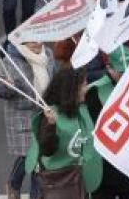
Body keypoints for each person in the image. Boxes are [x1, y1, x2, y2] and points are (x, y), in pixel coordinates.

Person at [25, 68, 102, 197]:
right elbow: (47, 150)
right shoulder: (50, 115)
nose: (86, 88)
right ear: (72, 91)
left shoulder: (78, 110)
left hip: (77, 179)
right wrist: (50, 125)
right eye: (83, 86)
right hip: (58, 182)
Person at [0, 39, 56, 199]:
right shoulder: (10, 61)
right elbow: (0, 91)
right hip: (21, 115)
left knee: (37, 156)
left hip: (43, 113)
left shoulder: (48, 54)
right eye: (32, 42)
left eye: (39, 40)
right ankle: (17, 186)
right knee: (30, 155)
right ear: (22, 44)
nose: (38, 45)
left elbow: (53, 78)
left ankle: (17, 186)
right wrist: (8, 87)